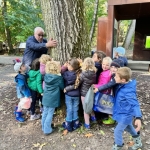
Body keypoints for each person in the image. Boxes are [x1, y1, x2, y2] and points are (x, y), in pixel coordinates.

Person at [112, 67, 142, 150]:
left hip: (125, 115)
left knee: (117, 131)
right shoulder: (122, 85)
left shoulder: (128, 91)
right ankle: (138, 142)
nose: (114, 78)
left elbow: (135, 104)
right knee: (129, 127)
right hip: (122, 112)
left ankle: (118, 146)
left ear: (123, 80)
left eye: (116, 77)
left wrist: (138, 117)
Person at [94, 59, 124, 125]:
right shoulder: (114, 74)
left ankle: (118, 123)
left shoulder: (117, 76)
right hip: (117, 93)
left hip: (120, 94)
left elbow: (109, 84)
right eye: (112, 67)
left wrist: (98, 89)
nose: (113, 69)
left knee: (118, 107)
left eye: (116, 68)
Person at [41, 61, 64, 135]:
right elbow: (62, 87)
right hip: (53, 98)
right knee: (50, 113)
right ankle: (47, 130)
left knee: (45, 112)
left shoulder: (46, 76)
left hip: (46, 97)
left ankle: (43, 126)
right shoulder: (58, 78)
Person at [61, 58, 81, 132]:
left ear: (71, 67)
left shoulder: (66, 74)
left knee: (69, 109)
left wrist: (64, 66)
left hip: (69, 95)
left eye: (68, 65)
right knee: (75, 109)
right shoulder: (79, 73)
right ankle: (76, 124)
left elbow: (61, 72)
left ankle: (68, 125)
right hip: (76, 95)